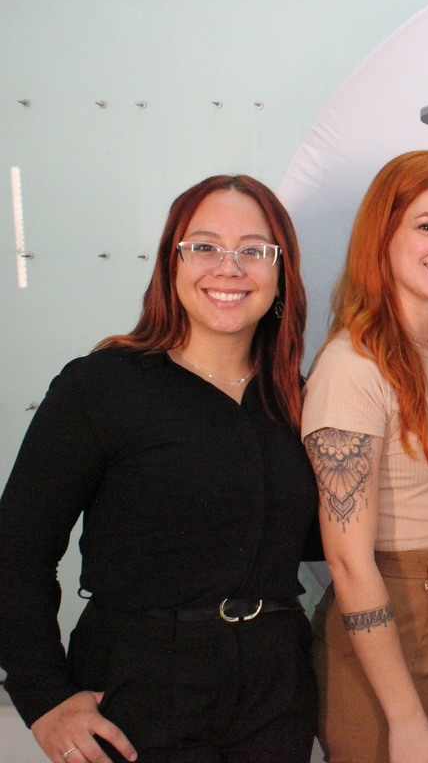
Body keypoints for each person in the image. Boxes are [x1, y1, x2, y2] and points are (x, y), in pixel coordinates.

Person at [0, 175, 317, 763]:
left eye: (254, 250)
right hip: (140, 687)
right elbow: (15, 551)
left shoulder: (302, 400)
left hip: (276, 686)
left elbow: (326, 539)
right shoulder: (101, 386)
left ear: (282, 274)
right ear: (172, 264)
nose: (229, 267)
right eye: (204, 246)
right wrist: (43, 697)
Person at [301, 151, 428, 763]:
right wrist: (405, 719)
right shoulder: (351, 368)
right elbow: (347, 561)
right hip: (388, 631)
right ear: (382, 235)